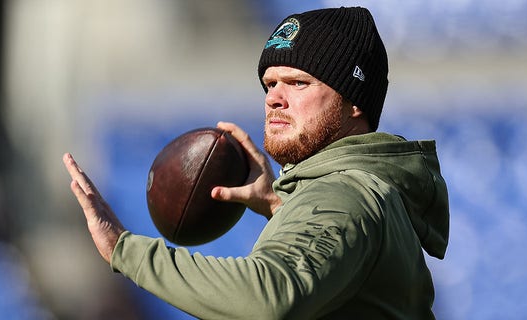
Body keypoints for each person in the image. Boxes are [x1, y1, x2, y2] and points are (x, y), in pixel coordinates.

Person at [64, 6, 449, 319]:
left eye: (297, 83)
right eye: (270, 84)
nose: (273, 99)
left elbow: (270, 296)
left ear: (355, 101)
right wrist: (277, 206)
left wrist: (123, 249)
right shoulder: (365, 191)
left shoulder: (343, 194)